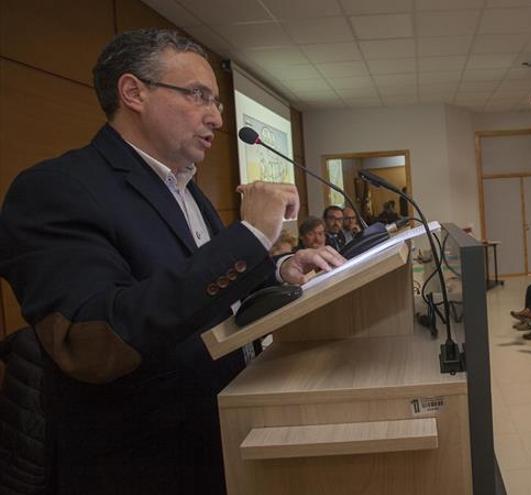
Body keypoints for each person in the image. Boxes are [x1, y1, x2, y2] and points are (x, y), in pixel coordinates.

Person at [0, 29, 346, 494]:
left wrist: (279, 269)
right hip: (142, 463)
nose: (217, 118)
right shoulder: (56, 189)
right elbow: (95, 340)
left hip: (216, 437)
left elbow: (204, 297)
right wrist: (246, 237)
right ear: (133, 92)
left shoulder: (184, 188)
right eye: (198, 95)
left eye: (219, 103)